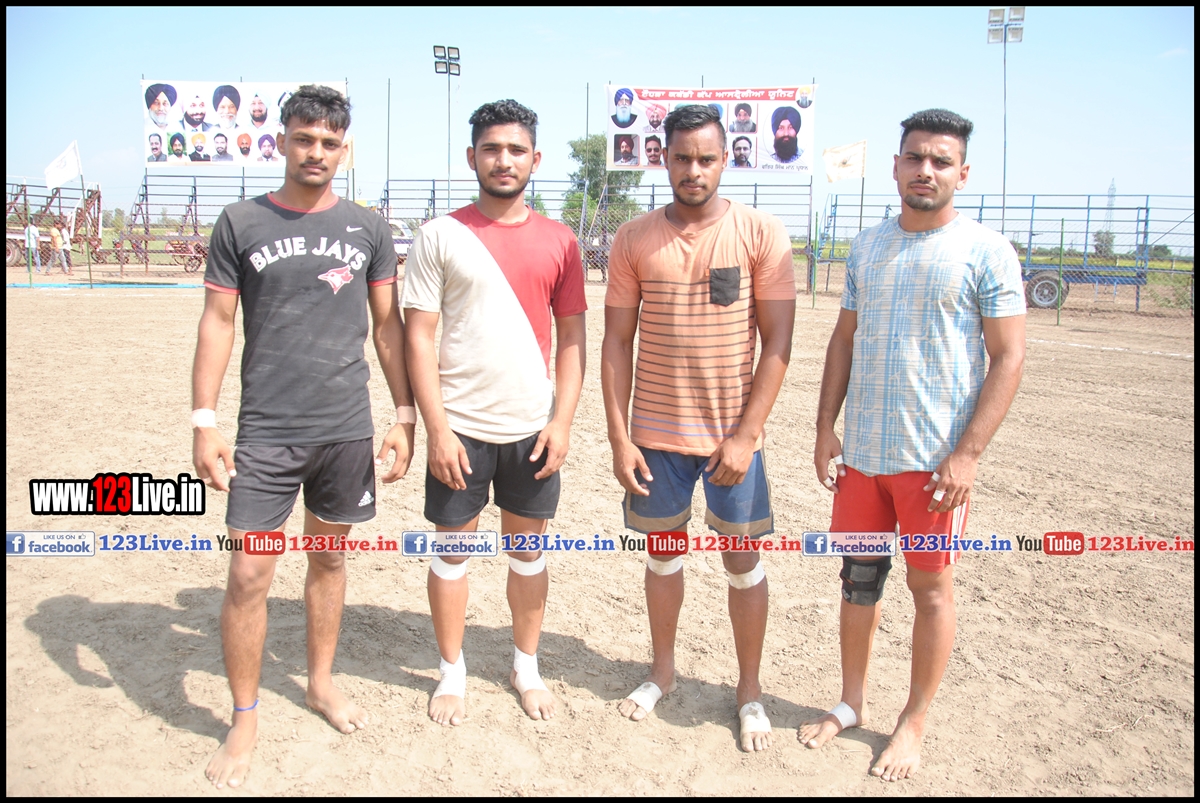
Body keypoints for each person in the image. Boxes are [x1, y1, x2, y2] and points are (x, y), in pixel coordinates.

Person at [192, 84, 416, 790]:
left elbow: (387, 326)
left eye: (328, 142)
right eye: (303, 138)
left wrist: (404, 413)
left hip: (344, 430)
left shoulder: (368, 227)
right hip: (266, 432)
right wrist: (204, 420)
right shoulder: (240, 222)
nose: (315, 151)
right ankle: (245, 717)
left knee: (328, 559)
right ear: (282, 141)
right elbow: (218, 322)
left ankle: (320, 682)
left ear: (344, 149)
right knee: (248, 574)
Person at [800, 108, 1026, 782]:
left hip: (934, 466)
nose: (926, 170)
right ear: (896, 166)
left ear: (962, 172)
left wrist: (968, 454)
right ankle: (850, 702)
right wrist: (825, 426)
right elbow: (844, 339)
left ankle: (914, 720)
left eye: (940, 160)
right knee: (858, 581)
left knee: (930, 588)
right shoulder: (867, 247)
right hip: (863, 460)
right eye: (915, 157)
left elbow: (1009, 356)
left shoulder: (986, 251)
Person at [602, 104, 796, 753]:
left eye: (706, 158)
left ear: (726, 160)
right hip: (655, 440)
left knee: (743, 561)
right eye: (682, 157)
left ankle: (749, 689)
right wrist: (620, 437)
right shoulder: (634, 238)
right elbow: (616, 342)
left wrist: (746, 436)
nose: (694, 170)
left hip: (732, 442)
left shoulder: (761, 233)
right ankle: (662, 671)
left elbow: (778, 342)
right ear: (663, 159)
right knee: (663, 556)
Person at [402, 98, 587, 729]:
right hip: (460, 430)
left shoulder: (561, 241)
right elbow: (418, 336)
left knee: (528, 555)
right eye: (491, 149)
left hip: (532, 430)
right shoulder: (438, 235)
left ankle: (525, 668)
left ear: (535, 158)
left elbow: (573, 339)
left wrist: (561, 422)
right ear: (471, 156)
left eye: (516, 150)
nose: (503, 160)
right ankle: (451, 673)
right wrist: (437, 429)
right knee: (451, 554)